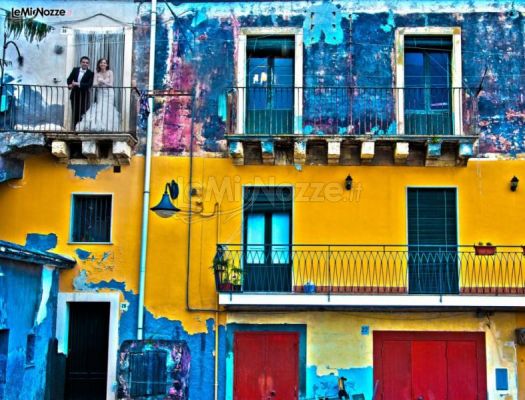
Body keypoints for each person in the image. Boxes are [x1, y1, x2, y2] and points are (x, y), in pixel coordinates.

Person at [75, 57, 121, 132]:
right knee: (100, 107)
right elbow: (94, 84)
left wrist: (102, 81)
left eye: (104, 63)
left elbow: (111, 84)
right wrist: (99, 83)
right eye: (101, 63)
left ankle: (108, 127)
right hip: (100, 92)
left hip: (109, 93)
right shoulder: (96, 72)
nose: (103, 64)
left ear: (107, 65)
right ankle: (99, 126)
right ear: (99, 64)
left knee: (108, 109)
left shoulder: (110, 72)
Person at [67, 56, 94, 129]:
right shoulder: (75, 70)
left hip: (84, 95)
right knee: (75, 112)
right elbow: (69, 79)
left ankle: (81, 129)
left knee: (82, 113)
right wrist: (69, 85)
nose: (85, 64)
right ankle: (75, 129)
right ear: (80, 63)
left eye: (87, 63)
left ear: (88, 64)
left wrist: (77, 84)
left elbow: (89, 85)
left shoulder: (91, 73)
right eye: (83, 62)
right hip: (74, 95)